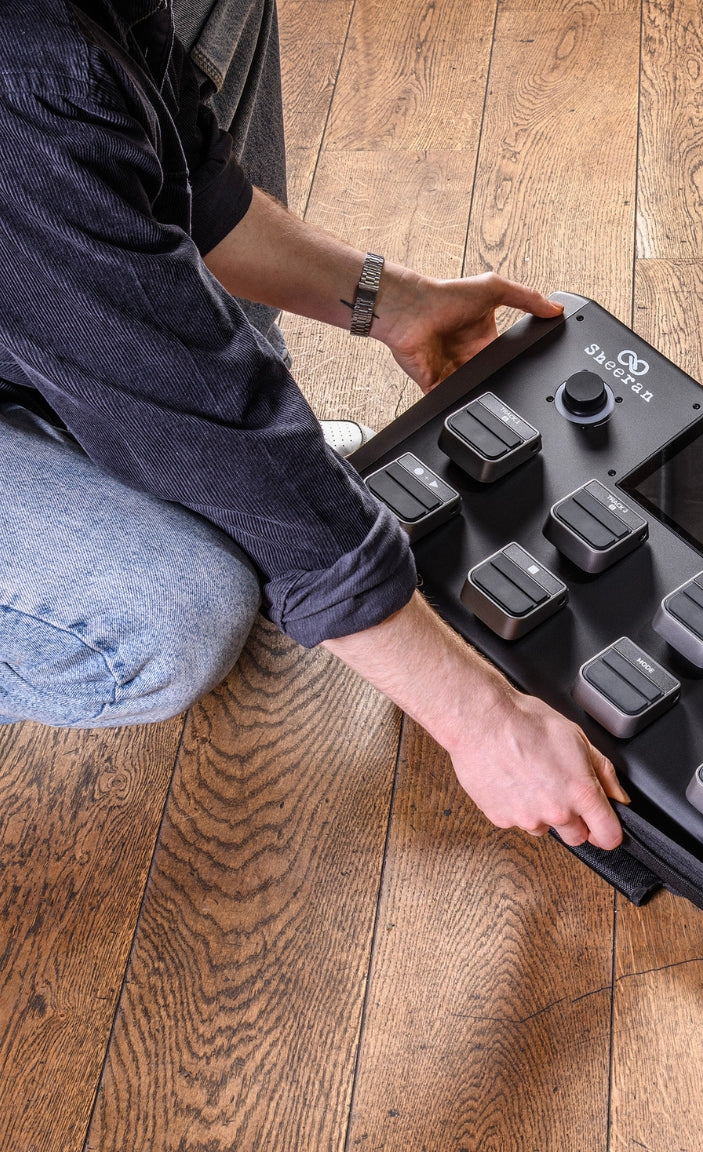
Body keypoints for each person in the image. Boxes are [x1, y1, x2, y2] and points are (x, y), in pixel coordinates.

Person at [0, 0, 628, 851]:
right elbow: (211, 428)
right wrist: (486, 720)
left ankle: (92, 394)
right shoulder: (27, 77)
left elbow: (181, 173)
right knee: (174, 612)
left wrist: (394, 304)